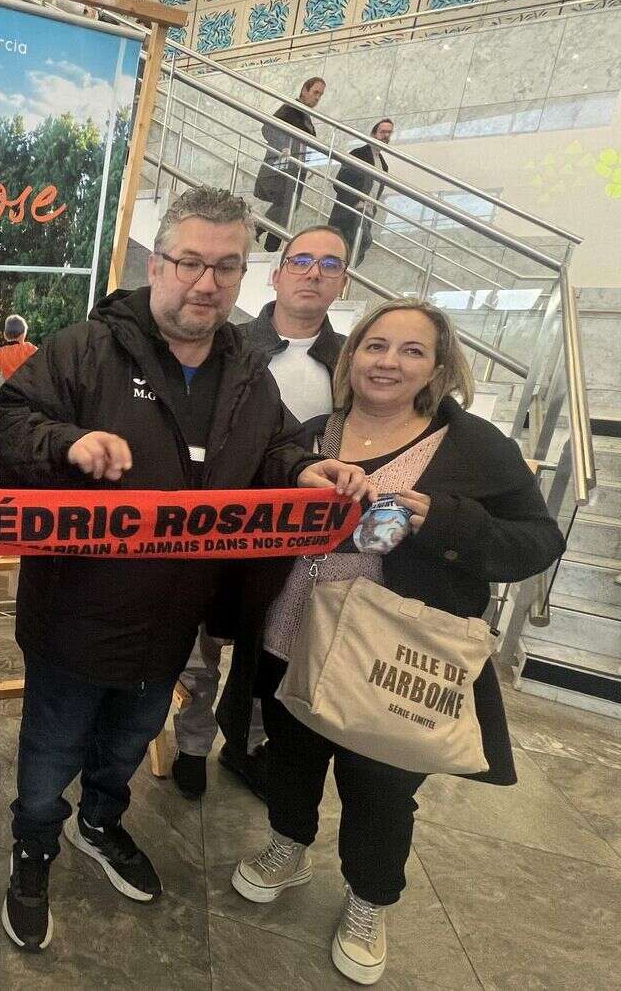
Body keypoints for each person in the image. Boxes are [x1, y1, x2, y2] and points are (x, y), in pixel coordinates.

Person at [0, 186, 369, 953]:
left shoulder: (245, 370)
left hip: (174, 620)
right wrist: (65, 445)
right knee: (50, 751)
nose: (207, 284)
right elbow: (10, 424)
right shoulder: (85, 348)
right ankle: (34, 851)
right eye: (190, 262)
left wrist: (304, 471)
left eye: (226, 268)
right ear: (156, 265)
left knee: (128, 743)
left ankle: (100, 821)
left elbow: (274, 446)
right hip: (74, 613)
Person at [233, 298, 565, 985]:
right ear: (350, 356)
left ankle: (369, 898)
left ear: (438, 367)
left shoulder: (474, 448)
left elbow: (539, 541)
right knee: (290, 758)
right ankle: (287, 846)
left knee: (380, 787)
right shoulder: (312, 434)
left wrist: (449, 524)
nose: (389, 362)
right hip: (290, 635)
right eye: (375, 346)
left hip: (389, 658)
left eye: (411, 351)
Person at [170, 225, 350, 802]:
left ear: (343, 280)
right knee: (198, 650)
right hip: (218, 528)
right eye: (301, 259)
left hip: (295, 543)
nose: (313, 272)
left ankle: (243, 748)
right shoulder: (224, 344)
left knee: (266, 655)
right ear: (275, 274)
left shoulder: (352, 363)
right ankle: (192, 745)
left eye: (330, 263)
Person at [255, 76, 324, 252]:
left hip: (295, 169)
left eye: (320, 95)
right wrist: (283, 146)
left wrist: (309, 163)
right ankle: (261, 232)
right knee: (286, 205)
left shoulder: (305, 116)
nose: (317, 98)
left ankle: (265, 237)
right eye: (315, 92)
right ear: (304, 90)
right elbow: (268, 128)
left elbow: (306, 143)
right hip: (283, 167)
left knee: (288, 206)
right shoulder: (290, 109)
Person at [329, 119, 394, 267]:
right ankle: (343, 270)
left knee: (354, 245)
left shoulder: (383, 165)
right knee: (363, 240)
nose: (386, 136)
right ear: (373, 134)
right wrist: (357, 199)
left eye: (389, 133)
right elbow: (340, 180)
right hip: (354, 208)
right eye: (383, 132)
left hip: (368, 212)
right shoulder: (359, 153)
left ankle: (342, 271)